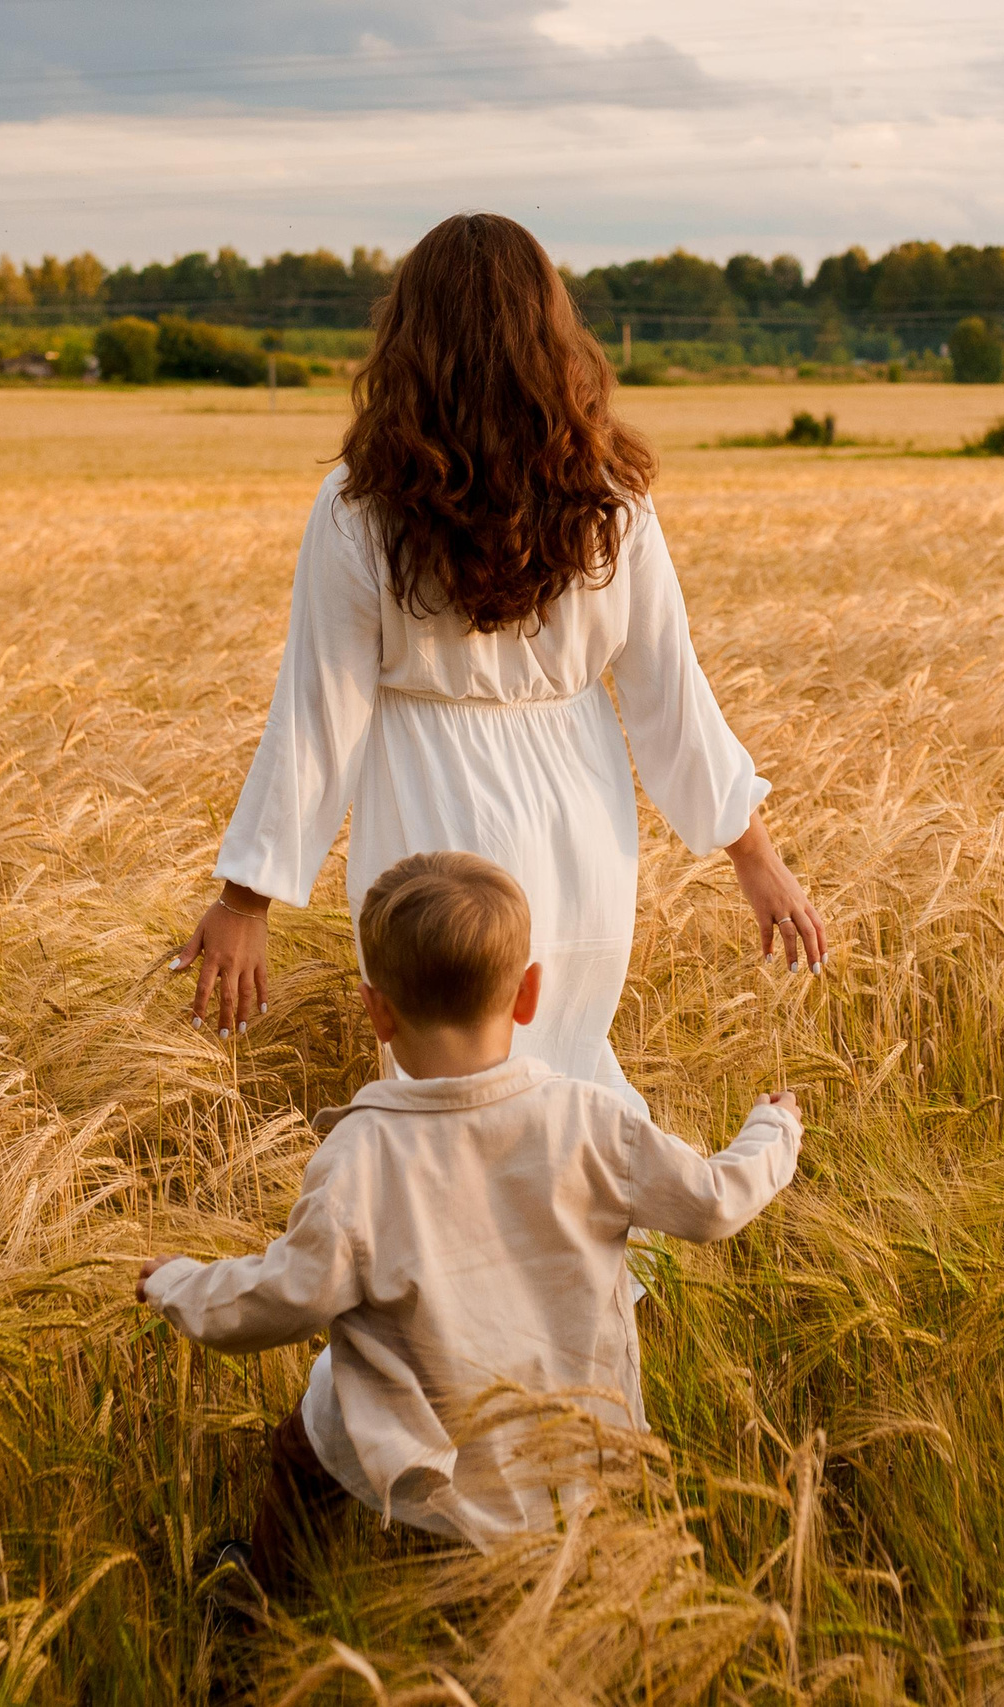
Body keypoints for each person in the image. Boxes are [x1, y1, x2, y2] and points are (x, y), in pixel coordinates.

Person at [172, 210, 825, 1113]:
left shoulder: (363, 506)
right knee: (568, 1084)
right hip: (581, 825)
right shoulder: (609, 497)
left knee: (445, 1102)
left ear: (409, 338)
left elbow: (317, 719)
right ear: (554, 332)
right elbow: (672, 696)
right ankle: (597, 1250)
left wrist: (246, 902)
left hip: (428, 819)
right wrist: (756, 857)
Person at [140, 852, 802, 1585]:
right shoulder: (589, 1121)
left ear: (377, 1010)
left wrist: (179, 1284)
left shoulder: (360, 1155)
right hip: (568, 1435)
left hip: (422, 1447)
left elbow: (286, 1296)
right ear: (528, 995)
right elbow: (714, 1202)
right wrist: (772, 1132)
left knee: (308, 1445)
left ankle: (261, 1610)